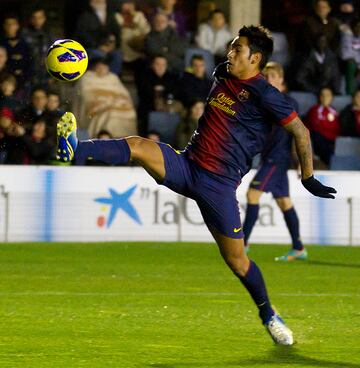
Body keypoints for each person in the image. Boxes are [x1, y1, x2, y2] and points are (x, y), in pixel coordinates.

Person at [56, 25, 337, 346]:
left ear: (256, 58)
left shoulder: (268, 96)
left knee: (237, 261)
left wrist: (307, 176)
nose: (230, 53)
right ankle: (76, 149)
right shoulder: (223, 74)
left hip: (219, 186)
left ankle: (269, 315)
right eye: (231, 47)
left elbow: (301, 133)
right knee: (137, 145)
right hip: (187, 165)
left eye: (238, 49)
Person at [243, 62, 306, 262]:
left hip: (277, 159)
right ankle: (298, 247)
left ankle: (242, 243)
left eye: (272, 76)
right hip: (268, 157)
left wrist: (301, 161)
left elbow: (299, 133)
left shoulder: (288, 102)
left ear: (281, 80)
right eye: (266, 76)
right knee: (284, 202)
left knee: (252, 194)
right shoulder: (263, 101)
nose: (268, 80)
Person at [21, 7, 57, 87]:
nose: (37, 21)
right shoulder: (24, 34)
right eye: (34, 18)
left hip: (46, 76)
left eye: (40, 17)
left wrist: (52, 76)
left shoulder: (50, 35)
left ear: (44, 18)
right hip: (28, 76)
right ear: (30, 19)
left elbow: (56, 54)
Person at [305, 87, 341, 166]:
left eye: (327, 95)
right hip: (318, 142)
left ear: (332, 98)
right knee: (318, 136)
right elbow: (315, 127)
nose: (325, 98)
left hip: (331, 142)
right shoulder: (314, 110)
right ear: (319, 97)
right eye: (322, 95)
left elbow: (337, 129)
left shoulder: (334, 112)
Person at [340, 17, 360, 95]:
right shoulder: (346, 36)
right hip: (346, 65)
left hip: (358, 65)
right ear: (352, 27)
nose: (359, 29)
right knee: (351, 63)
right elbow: (345, 55)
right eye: (357, 26)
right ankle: (350, 94)